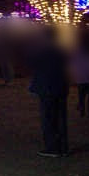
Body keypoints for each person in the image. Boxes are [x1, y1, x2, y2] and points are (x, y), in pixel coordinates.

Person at [29, 26, 70, 156]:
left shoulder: (42, 51)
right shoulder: (61, 50)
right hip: (60, 86)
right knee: (60, 118)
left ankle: (52, 147)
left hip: (46, 87)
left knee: (48, 118)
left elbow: (32, 64)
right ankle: (62, 147)